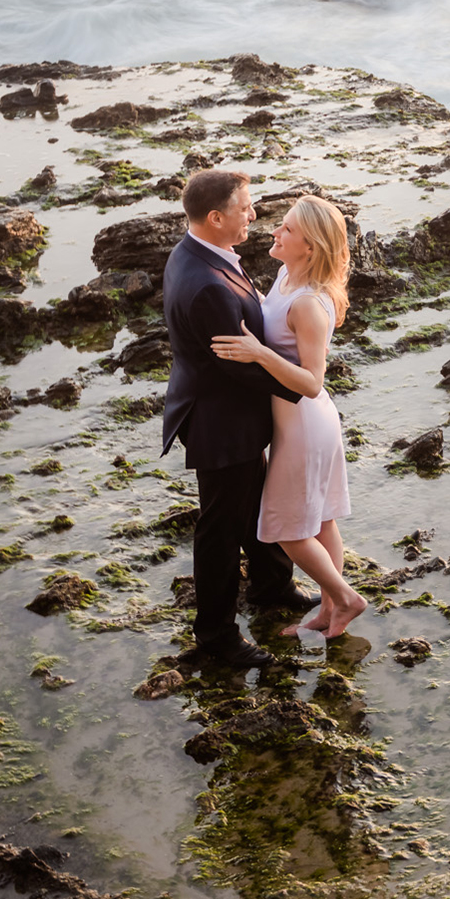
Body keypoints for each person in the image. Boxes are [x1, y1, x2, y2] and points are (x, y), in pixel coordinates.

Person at [161, 171, 319, 670]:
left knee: (253, 501)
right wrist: (301, 387)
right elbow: (240, 367)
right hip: (220, 419)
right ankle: (216, 638)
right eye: (246, 207)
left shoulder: (195, 253)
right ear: (216, 217)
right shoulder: (207, 285)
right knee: (220, 530)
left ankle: (272, 588)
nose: (253, 215)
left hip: (220, 407)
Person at [211, 194, 368, 638]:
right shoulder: (285, 277)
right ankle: (325, 612)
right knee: (319, 521)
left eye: (288, 229)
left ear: (311, 248)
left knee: (285, 528)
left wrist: (259, 354)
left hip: (304, 424)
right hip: (300, 422)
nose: (275, 231)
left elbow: (312, 381)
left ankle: (346, 598)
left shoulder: (309, 305)